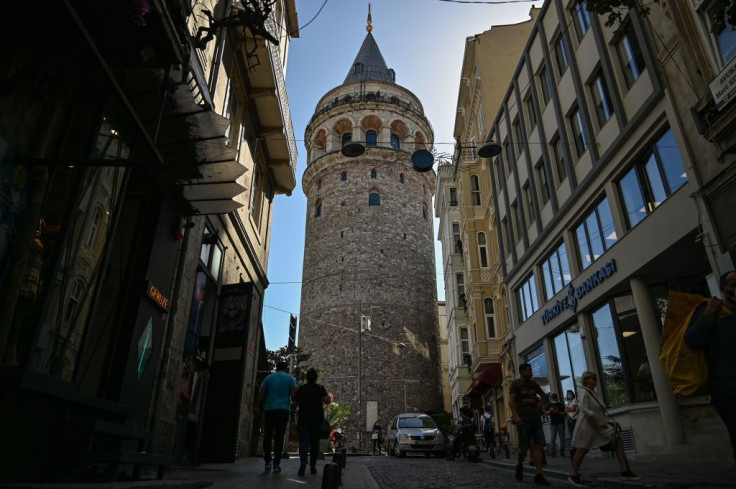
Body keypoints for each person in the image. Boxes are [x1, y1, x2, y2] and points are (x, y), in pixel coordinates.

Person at [685, 270, 736, 464]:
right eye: (734, 285)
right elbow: (693, 340)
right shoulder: (713, 312)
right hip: (728, 390)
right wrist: (708, 313)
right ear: (723, 289)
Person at [568, 371, 640, 487]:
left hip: (599, 427)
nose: (595, 380)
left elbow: (600, 411)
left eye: (595, 378)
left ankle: (625, 471)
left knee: (617, 441)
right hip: (588, 426)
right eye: (593, 378)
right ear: (586, 380)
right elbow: (585, 410)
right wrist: (598, 421)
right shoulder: (584, 392)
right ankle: (573, 474)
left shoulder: (594, 393)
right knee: (582, 449)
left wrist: (606, 421)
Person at [509, 363, 550, 486]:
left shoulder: (533, 384)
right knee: (524, 447)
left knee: (538, 447)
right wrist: (516, 416)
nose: (531, 372)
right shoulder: (516, 384)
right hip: (523, 420)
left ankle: (538, 474)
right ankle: (520, 464)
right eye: (528, 370)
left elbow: (543, 395)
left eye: (531, 370)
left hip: (535, 419)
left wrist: (539, 406)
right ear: (522, 372)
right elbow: (511, 401)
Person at [254, 361, 297, 473]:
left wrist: (257, 406)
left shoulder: (269, 378)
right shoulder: (290, 379)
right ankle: (276, 464)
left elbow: (261, 393)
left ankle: (267, 462)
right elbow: (294, 396)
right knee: (279, 437)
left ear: (276, 368)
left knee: (267, 436)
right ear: (286, 368)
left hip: (270, 410)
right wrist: (293, 409)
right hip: (283, 410)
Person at [295, 368, 331, 476]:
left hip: (303, 419)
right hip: (316, 420)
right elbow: (327, 400)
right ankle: (313, 466)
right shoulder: (320, 388)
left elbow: (294, 403)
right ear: (316, 378)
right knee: (315, 443)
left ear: (307, 377)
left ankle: (303, 462)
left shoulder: (301, 389)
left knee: (304, 442)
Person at [544, 393, 566, 457]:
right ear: (551, 398)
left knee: (562, 437)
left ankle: (562, 452)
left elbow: (564, 414)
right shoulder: (549, 405)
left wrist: (558, 412)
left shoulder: (560, 405)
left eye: (554, 397)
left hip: (561, 422)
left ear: (557, 397)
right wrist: (550, 410)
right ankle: (552, 452)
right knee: (553, 437)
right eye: (552, 397)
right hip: (553, 423)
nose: (553, 398)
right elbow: (546, 414)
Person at [564, 389, 579, 460]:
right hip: (569, 419)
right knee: (571, 434)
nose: (569, 395)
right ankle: (574, 449)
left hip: (574, 419)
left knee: (574, 434)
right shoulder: (568, 402)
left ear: (572, 394)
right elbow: (565, 410)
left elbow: (573, 409)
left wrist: (568, 409)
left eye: (570, 393)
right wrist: (568, 409)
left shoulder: (575, 400)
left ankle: (576, 449)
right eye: (568, 394)